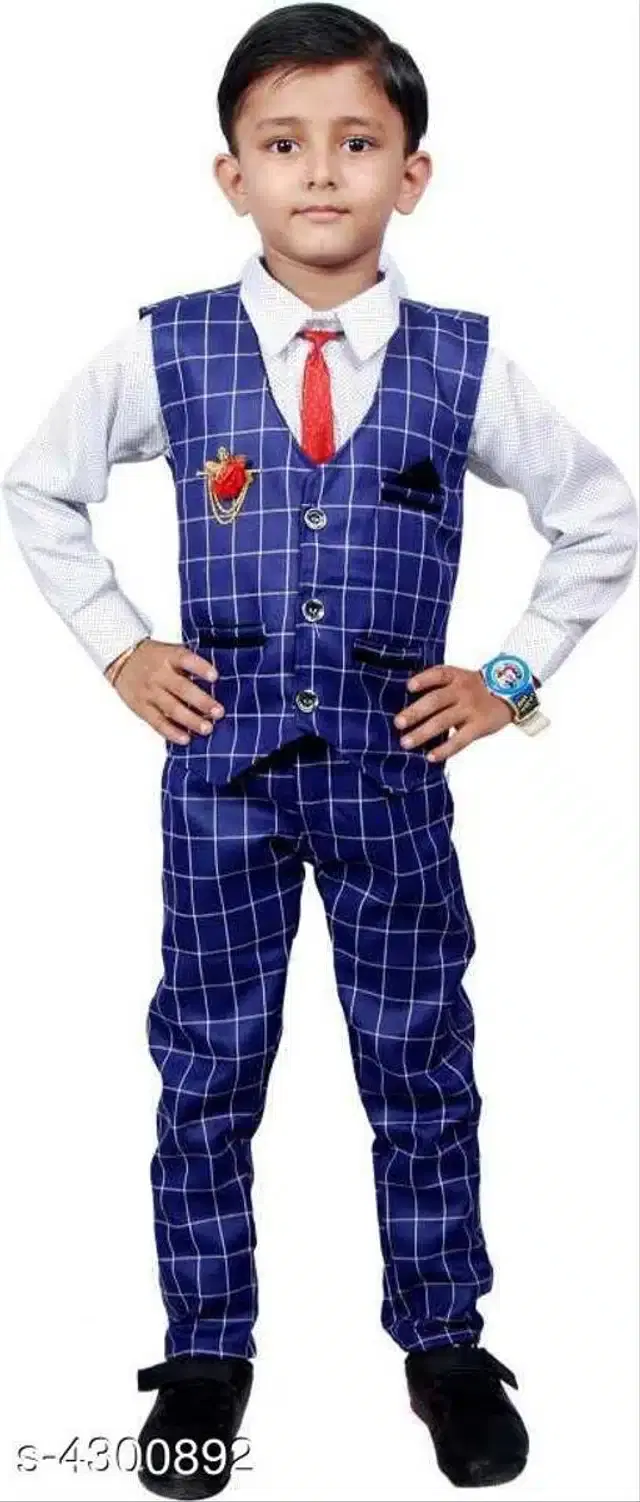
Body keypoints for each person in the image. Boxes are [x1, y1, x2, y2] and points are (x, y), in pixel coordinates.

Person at [2, 4, 637, 1496]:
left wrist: (507, 678)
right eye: (284, 144)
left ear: (412, 173)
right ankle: (203, 1356)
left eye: (358, 141)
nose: (322, 172)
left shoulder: (465, 363)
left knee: (418, 1054)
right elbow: (39, 490)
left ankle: (446, 1344)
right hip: (219, 777)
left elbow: (601, 518)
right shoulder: (166, 349)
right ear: (233, 175)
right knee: (208, 1059)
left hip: (391, 779)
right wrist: (120, 645)